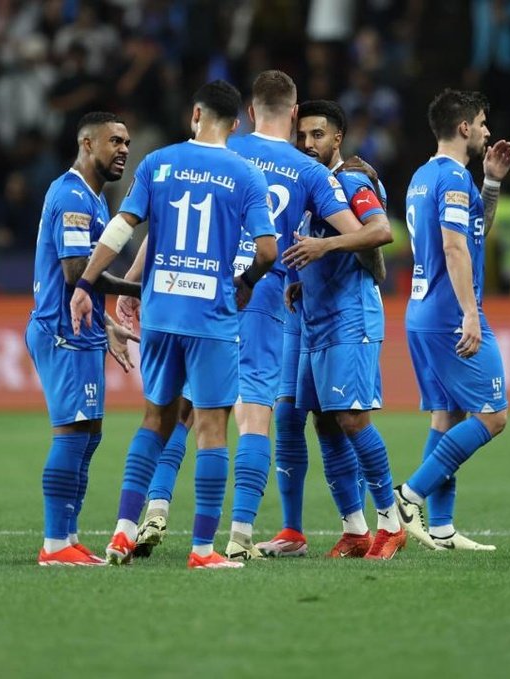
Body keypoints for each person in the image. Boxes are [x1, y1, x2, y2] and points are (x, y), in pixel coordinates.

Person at [124, 70, 371, 561]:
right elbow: (361, 230)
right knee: (254, 414)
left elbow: (167, 226)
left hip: (204, 291)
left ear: (251, 112)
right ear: (295, 113)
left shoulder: (222, 153)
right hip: (259, 293)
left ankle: (154, 506)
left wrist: (132, 281)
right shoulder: (309, 171)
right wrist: (324, 244)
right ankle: (238, 534)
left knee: (184, 405)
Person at [69, 80, 278, 570]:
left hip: (161, 314)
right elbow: (267, 250)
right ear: (236, 123)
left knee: (155, 420)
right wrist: (244, 281)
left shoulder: (157, 163)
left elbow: (123, 226)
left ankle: (121, 533)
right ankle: (203, 550)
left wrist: (89, 281)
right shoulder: (245, 174)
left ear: (196, 114)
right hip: (212, 317)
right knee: (211, 428)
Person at [278, 100, 403, 560]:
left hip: (352, 316)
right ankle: (354, 528)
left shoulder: (351, 179)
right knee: (326, 423)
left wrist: (324, 246)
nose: (308, 144)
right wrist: (299, 283)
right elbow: (311, 249)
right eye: (302, 136)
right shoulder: (313, 186)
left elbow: (380, 231)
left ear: (338, 138)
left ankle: (391, 523)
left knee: (352, 419)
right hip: (317, 316)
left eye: (317, 136)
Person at [393, 89, 510, 551]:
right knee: (494, 415)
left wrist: (492, 184)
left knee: (448, 416)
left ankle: (441, 527)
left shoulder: (423, 177)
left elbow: (474, 232)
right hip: (450, 313)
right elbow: (454, 246)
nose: (487, 131)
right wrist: (469, 314)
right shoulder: (450, 179)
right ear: (464, 127)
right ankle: (409, 495)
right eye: (482, 122)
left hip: (422, 310)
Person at [25, 111, 141, 566]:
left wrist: (106, 323)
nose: (124, 150)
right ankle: (55, 543)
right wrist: (144, 290)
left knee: (89, 436)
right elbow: (78, 274)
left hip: (83, 329)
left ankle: (68, 537)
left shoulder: (93, 200)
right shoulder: (73, 196)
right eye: (115, 141)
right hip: (62, 331)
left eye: (128, 142)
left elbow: (81, 280)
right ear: (87, 144)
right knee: (73, 433)